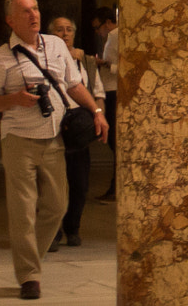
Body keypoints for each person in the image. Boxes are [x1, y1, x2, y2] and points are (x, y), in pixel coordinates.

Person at [0, 0, 106, 302]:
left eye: (35, 8)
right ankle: (30, 276)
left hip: (53, 139)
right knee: (23, 212)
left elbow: (74, 84)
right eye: (25, 11)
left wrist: (97, 112)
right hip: (18, 142)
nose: (33, 15)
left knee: (56, 206)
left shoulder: (55, 46)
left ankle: (30, 257)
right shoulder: (0, 58)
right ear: (11, 20)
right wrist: (14, 99)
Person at [45, 16, 103, 251]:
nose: (65, 34)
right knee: (52, 183)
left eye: (69, 30)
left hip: (78, 127)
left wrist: (99, 116)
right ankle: (53, 231)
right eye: (59, 30)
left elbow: (97, 92)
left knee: (79, 182)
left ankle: (73, 228)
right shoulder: (44, 59)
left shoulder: (86, 62)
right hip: (53, 126)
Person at [92, 8, 118, 199]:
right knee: (113, 141)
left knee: (115, 140)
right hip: (109, 88)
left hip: (114, 89)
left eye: (98, 27)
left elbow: (129, 63)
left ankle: (117, 186)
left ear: (108, 23)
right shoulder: (112, 37)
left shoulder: (116, 35)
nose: (97, 32)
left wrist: (106, 64)